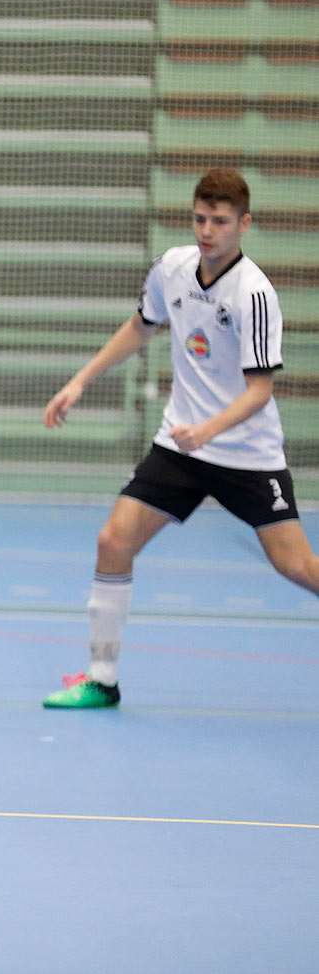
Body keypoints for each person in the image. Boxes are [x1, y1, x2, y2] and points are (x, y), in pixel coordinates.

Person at [42, 168, 319, 709]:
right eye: (200, 219)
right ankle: (102, 679)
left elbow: (260, 390)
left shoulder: (254, 294)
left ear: (244, 224)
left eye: (220, 221)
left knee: (297, 567)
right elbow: (141, 325)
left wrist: (210, 430)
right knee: (112, 541)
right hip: (179, 447)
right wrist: (80, 381)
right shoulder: (171, 269)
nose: (207, 231)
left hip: (245, 454)